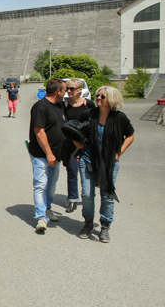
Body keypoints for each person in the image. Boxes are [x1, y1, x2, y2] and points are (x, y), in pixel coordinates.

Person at [74, 86, 134, 243]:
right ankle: (88, 223)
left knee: (107, 196)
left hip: (109, 163)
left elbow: (131, 135)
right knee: (87, 194)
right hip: (88, 159)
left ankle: (105, 226)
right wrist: (78, 143)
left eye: (102, 96)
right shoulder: (89, 114)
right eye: (97, 95)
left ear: (111, 100)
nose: (98, 98)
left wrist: (118, 153)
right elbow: (71, 128)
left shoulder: (120, 118)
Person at [28, 78, 66, 232]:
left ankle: (47, 208)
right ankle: (41, 217)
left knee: (51, 184)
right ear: (58, 91)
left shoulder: (60, 106)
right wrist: (49, 153)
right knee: (40, 184)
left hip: (56, 154)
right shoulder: (40, 107)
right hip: (41, 155)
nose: (66, 93)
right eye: (64, 90)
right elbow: (39, 131)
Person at [62, 79, 95, 213]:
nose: (69, 91)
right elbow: (62, 125)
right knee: (72, 171)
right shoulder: (64, 105)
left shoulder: (89, 104)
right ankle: (73, 200)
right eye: (67, 88)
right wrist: (74, 140)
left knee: (86, 172)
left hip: (86, 144)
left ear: (80, 90)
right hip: (71, 143)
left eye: (72, 88)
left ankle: (88, 197)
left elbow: (95, 122)